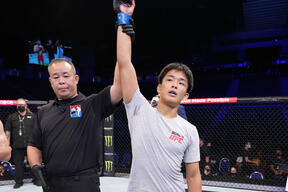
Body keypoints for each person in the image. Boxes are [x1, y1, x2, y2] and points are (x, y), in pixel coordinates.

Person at [115, 1, 202, 191]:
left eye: (181, 83)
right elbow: (124, 63)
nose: (174, 85)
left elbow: (193, 175)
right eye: (170, 80)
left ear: (185, 95)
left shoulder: (189, 130)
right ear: (159, 88)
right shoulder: (138, 108)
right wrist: (124, 18)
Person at [27, 58, 122, 192]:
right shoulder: (44, 113)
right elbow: (33, 145)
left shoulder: (91, 105)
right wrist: (35, 166)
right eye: (56, 77)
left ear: (76, 78)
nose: (61, 81)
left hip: (84, 184)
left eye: (66, 76)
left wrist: (122, 53)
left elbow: (119, 88)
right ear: (50, 81)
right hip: (51, 184)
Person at [4, 98, 40, 188]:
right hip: (17, 145)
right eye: (19, 105)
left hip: (31, 145)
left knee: (34, 163)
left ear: (26, 106)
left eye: (22, 105)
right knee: (18, 165)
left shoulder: (33, 116)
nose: (21, 106)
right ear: (16, 106)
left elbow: (38, 131)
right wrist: (7, 145)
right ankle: (19, 181)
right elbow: (8, 132)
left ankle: (37, 179)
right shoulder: (12, 117)